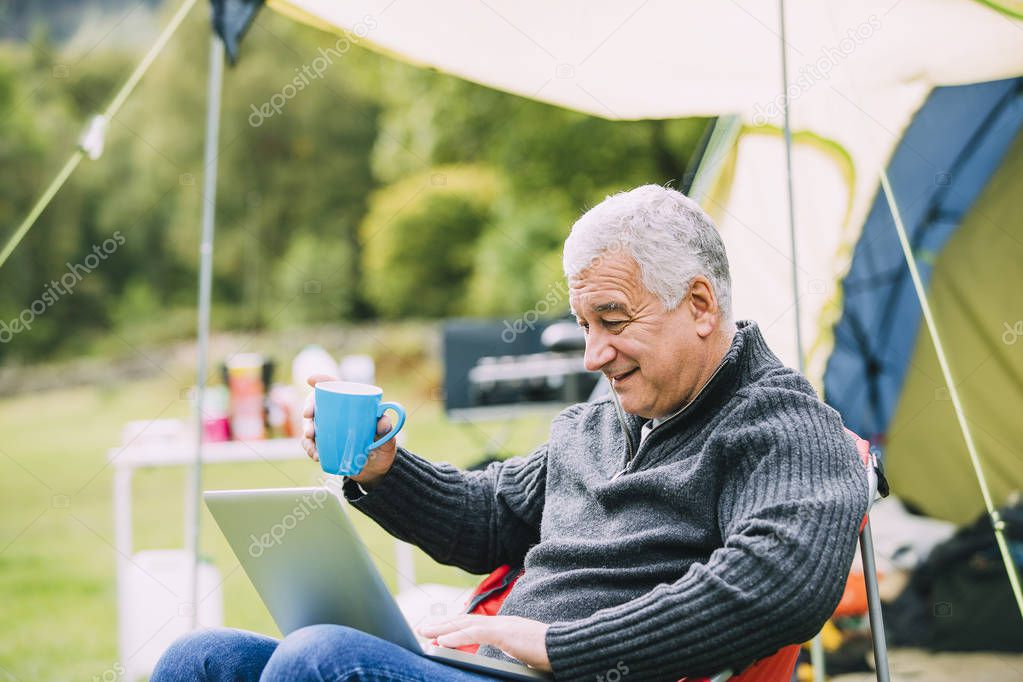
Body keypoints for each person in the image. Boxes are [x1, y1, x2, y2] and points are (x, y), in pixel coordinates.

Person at [152, 184, 868, 681]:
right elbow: (490, 516)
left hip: (573, 673)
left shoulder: (781, 425)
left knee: (318, 662)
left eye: (612, 321)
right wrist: (384, 468)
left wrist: (562, 645)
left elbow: (781, 583)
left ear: (700, 304)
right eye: (585, 326)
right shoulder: (599, 422)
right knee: (200, 658)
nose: (592, 355)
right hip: (495, 668)